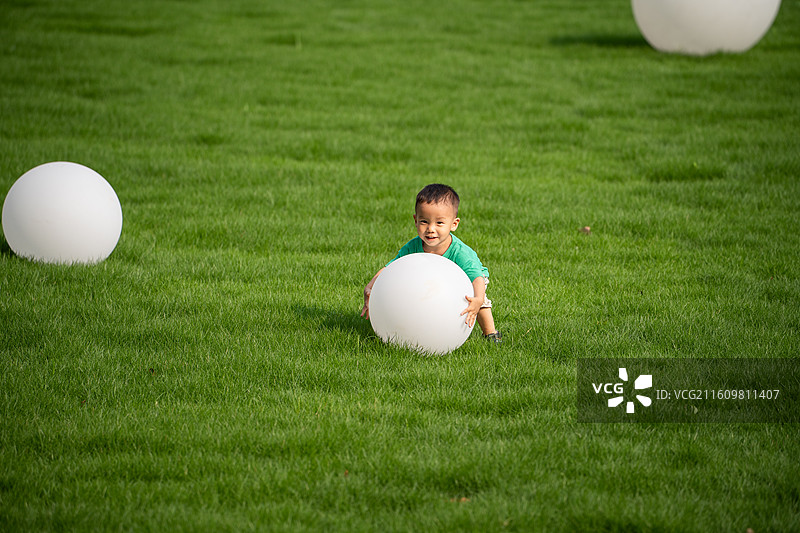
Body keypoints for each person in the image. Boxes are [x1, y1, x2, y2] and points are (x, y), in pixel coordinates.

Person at [360, 183, 502, 343]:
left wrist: (478, 299)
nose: (431, 229)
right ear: (415, 220)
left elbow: (476, 277)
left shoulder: (459, 252)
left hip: (470, 279)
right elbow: (391, 268)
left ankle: (491, 333)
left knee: (478, 301)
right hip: (433, 280)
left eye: (439, 223)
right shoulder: (413, 246)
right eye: (424, 222)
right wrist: (371, 285)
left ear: (454, 224)